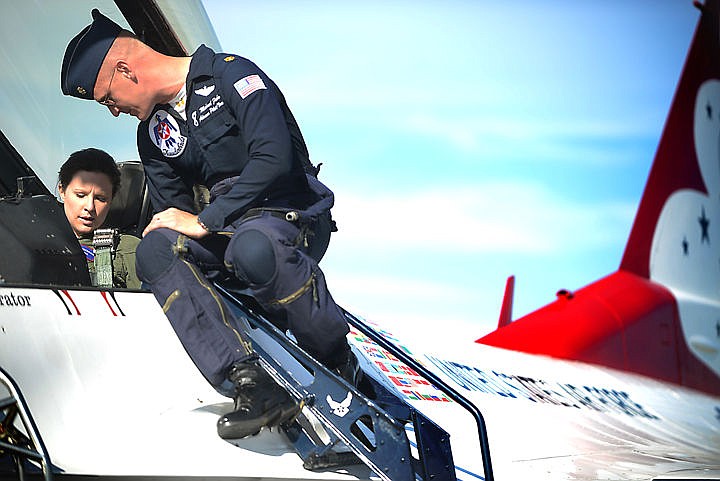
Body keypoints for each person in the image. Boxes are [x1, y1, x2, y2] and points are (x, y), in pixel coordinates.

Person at [61, 10, 360, 439]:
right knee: (155, 249)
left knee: (253, 248)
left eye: (107, 98)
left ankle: (336, 361)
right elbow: (173, 219)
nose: (113, 111)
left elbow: (274, 160)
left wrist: (207, 219)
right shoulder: (153, 134)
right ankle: (249, 382)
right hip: (227, 230)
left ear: (125, 70)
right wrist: (182, 229)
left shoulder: (230, 76)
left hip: (287, 213)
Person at [58, 148, 141, 289]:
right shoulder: (32, 240)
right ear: (62, 191)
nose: (90, 207)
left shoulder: (128, 249)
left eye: (100, 198)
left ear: (111, 200)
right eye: (80, 195)